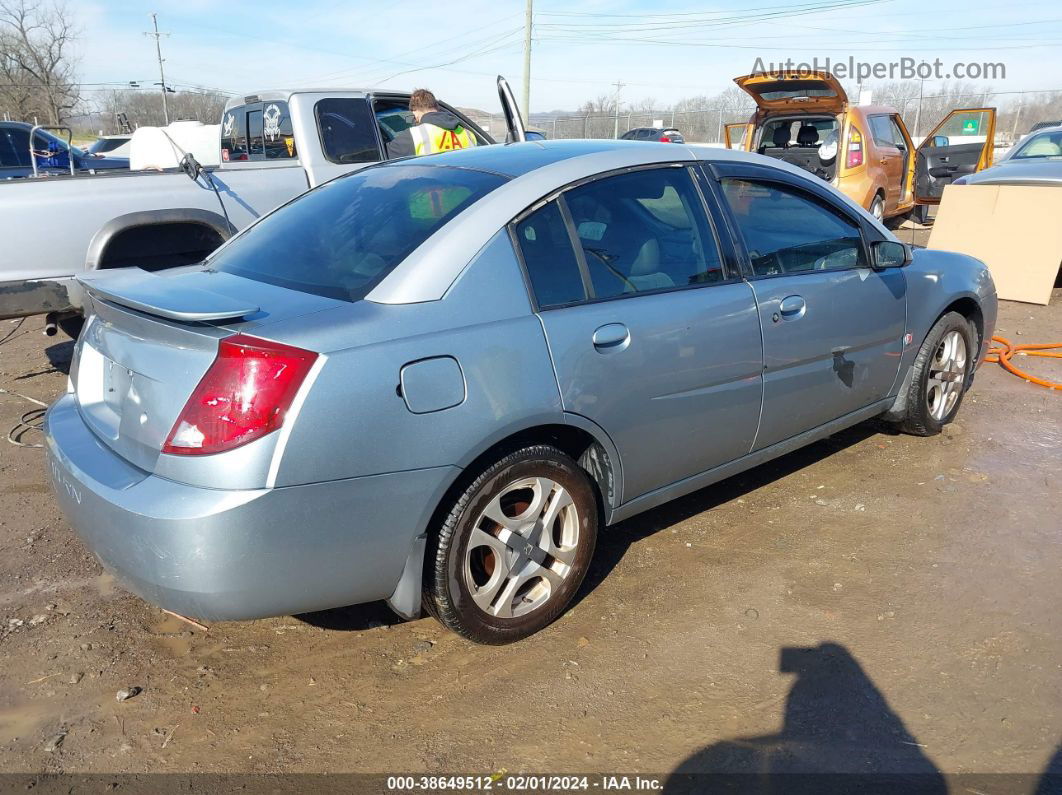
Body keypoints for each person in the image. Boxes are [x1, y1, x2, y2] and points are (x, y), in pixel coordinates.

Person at [388, 89, 478, 158]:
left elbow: (384, 156)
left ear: (414, 111)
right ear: (436, 107)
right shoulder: (468, 133)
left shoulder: (413, 136)